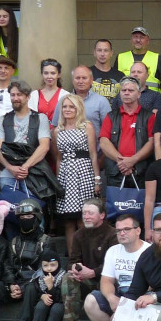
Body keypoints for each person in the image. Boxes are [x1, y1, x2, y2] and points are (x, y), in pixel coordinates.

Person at [83, 213, 150, 321]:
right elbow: (106, 281)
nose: (122, 233)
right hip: (121, 294)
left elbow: (153, 285)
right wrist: (111, 298)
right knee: (91, 301)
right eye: (118, 230)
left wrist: (127, 305)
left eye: (126, 229)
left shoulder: (149, 251)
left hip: (142, 298)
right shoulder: (113, 251)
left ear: (138, 230)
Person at [59, 199, 118, 321]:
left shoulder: (113, 235)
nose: (86, 216)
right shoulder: (79, 235)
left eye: (90, 213)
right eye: (84, 213)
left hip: (107, 280)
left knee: (104, 284)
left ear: (102, 215)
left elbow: (114, 265)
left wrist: (93, 273)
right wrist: (76, 270)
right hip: (85, 278)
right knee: (68, 278)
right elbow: (72, 261)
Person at [54, 93, 100, 247]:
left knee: (83, 219)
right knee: (68, 221)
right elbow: (58, 158)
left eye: (71, 106)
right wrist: (57, 183)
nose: (68, 109)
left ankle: (86, 257)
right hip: (66, 176)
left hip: (84, 173)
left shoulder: (87, 126)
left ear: (78, 108)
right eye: (65, 106)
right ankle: (72, 260)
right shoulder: (57, 131)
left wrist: (97, 180)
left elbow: (93, 154)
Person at [0, 80, 52, 194]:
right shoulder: (3, 119)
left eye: (19, 94)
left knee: (31, 208)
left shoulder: (40, 118)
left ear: (28, 97)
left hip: (33, 173)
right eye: (13, 95)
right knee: (8, 209)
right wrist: (10, 168)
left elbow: (44, 146)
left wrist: (25, 167)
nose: (15, 98)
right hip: (8, 174)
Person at [98, 76, 156, 188]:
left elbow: (152, 143)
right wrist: (122, 162)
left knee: (140, 205)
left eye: (131, 90)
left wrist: (133, 160)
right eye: (124, 90)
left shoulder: (149, 116)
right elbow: (104, 141)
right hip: (115, 172)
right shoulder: (111, 116)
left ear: (139, 94)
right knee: (114, 205)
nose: (126, 93)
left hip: (141, 172)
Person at [23, 249, 68, 321]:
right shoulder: (39, 277)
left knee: (57, 308)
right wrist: (42, 296)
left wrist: (51, 287)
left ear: (58, 264)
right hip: (45, 308)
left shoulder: (63, 276)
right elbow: (37, 291)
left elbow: (61, 298)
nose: (49, 269)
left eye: (53, 265)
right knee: (40, 305)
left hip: (58, 308)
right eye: (45, 265)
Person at [117, 26, 161, 93]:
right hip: (126, 99)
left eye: (142, 37)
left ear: (148, 41)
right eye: (135, 37)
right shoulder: (120, 57)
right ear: (131, 40)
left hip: (151, 99)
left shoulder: (157, 58)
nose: (138, 40)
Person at [27, 58, 66, 124]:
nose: (49, 76)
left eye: (53, 73)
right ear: (42, 74)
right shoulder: (34, 95)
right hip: (38, 132)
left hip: (57, 132)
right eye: (46, 73)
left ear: (58, 75)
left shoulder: (65, 95)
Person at [72, 65, 111, 130]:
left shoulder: (101, 101)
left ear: (91, 80)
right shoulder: (64, 100)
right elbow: (56, 127)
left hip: (95, 140)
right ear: (73, 80)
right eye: (77, 78)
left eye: (84, 78)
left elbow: (108, 129)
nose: (81, 81)